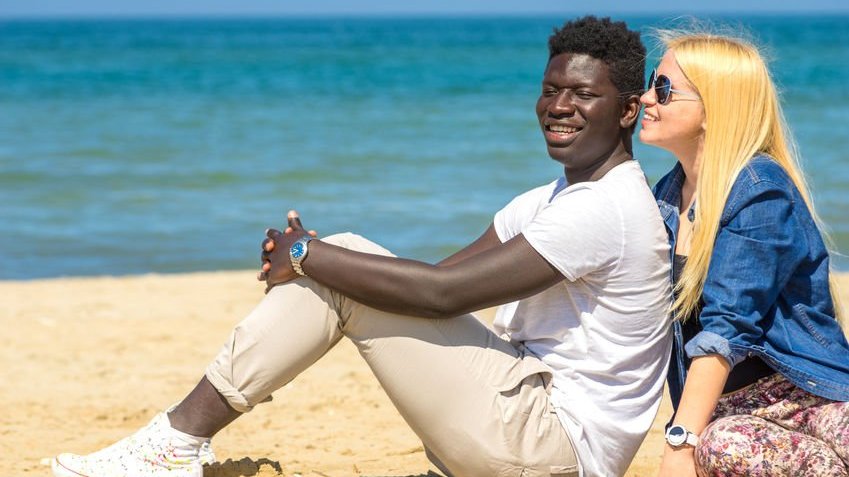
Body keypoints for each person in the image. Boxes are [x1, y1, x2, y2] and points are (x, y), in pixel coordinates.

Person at [51, 16, 672, 477]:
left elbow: (441, 296)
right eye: (551, 89)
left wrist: (309, 257)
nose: (559, 107)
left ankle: (174, 444)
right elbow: (432, 278)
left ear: (624, 111)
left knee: (336, 261)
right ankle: (175, 443)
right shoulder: (546, 202)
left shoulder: (607, 209)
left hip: (551, 450)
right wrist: (325, 263)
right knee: (342, 265)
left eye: (583, 95)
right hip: (521, 432)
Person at [641, 30, 849, 477]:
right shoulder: (665, 197)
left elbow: (727, 327)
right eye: (650, 82)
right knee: (725, 443)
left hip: (804, 397)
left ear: (714, 110)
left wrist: (679, 443)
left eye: (663, 89)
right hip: (732, 415)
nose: (644, 98)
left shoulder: (760, 189)